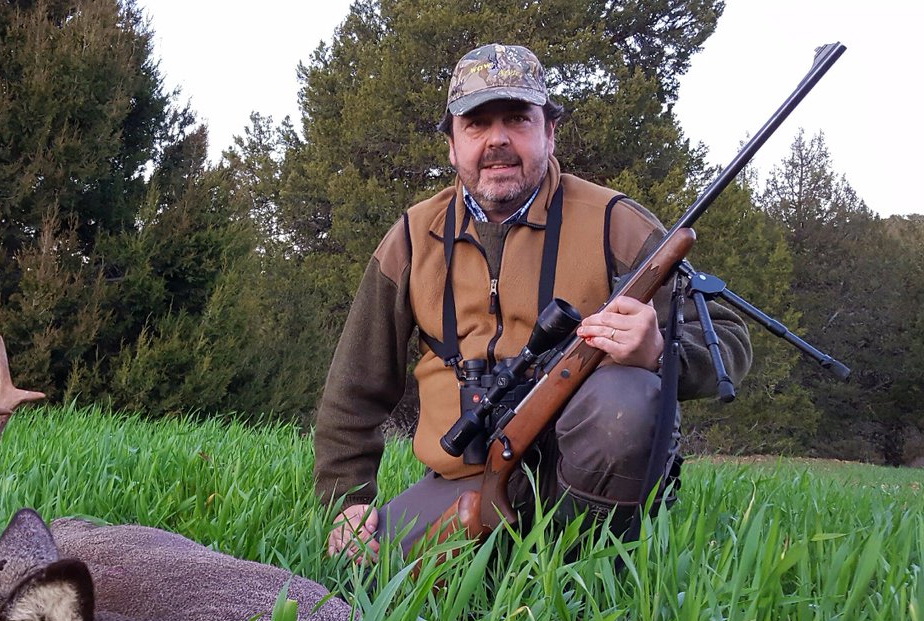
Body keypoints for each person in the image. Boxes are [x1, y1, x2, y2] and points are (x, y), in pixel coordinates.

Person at [312, 43, 753, 563]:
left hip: (585, 481)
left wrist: (658, 351)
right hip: (467, 476)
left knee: (627, 398)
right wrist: (347, 501)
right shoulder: (412, 237)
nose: (497, 139)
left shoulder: (615, 222)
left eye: (518, 119)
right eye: (476, 123)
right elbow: (353, 388)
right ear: (451, 145)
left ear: (549, 132)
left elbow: (729, 340)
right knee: (362, 570)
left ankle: (589, 568)